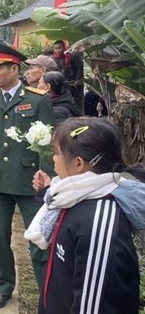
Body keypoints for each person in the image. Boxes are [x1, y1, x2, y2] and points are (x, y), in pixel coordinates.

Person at [25, 117, 144, 314]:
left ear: (79, 164)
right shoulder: (76, 195)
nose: (53, 159)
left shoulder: (99, 222)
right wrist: (47, 189)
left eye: (57, 154)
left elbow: (94, 306)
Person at [0, 42, 55, 310]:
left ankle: (47, 290)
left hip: (30, 181)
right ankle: (2, 285)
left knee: (38, 238)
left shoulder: (37, 100)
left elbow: (47, 142)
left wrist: (47, 177)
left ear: (14, 69)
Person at [52, 40, 84, 112]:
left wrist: (78, 79)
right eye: (55, 48)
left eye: (59, 48)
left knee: (76, 101)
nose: (57, 50)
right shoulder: (53, 59)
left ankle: (78, 113)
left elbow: (78, 68)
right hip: (60, 84)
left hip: (72, 82)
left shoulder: (72, 56)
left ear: (64, 48)